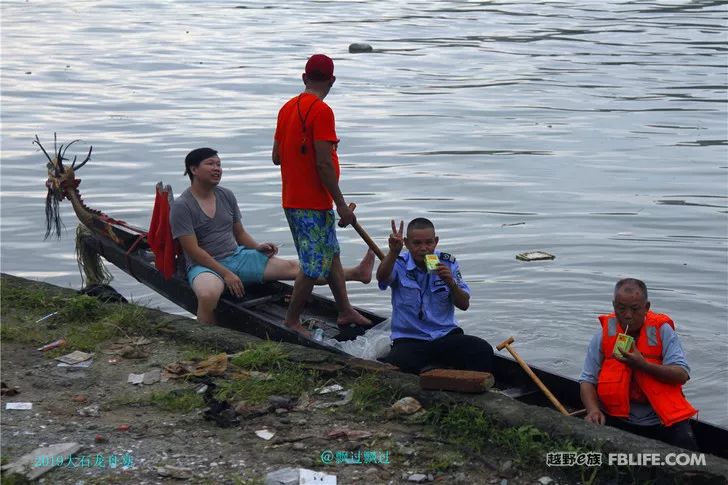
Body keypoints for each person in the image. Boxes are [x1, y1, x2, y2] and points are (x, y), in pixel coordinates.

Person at [169, 147, 374, 326]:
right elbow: (193, 250)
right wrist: (226, 274)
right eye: (210, 164)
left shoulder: (226, 195)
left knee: (300, 269)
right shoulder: (182, 206)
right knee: (207, 295)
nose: (217, 169)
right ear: (194, 170)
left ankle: (356, 274)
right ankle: (209, 338)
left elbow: (239, 233)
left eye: (219, 164)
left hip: (237, 256)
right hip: (205, 266)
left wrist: (257, 247)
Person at [272, 53, 371, 336]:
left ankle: (345, 310)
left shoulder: (287, 108)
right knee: (312, 266)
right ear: (332, 80)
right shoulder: (322, 111)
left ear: (304, 78)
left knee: (332, 256)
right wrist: (342, 205)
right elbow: (323, 162)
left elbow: (277, 157)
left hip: (298, 199)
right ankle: (291, 321)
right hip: (309, 204)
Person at [578, 278, 698, 450]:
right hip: (615, 415)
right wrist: (592, 410)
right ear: (614, 306)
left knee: (689, 453)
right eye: (621, 308)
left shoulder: (662, 331)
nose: (627, 315)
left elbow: (682, 374)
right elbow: (587, 380)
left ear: (646, 307)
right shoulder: (603, 335)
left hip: (660, 418)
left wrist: (643, 365)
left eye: (635, 309)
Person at [375, 217, 494, 374]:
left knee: (481, 349)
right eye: (417, 243)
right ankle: (433, 370)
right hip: (410, 339)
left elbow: (464, 305)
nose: (424, 248)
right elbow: (382, 278)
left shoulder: (448, 263)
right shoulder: (398, 262)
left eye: (429, 243)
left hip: (445, 336)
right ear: (407, 243)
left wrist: (450, 282)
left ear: (436, 241)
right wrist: (393, 252)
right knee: (397, 363)